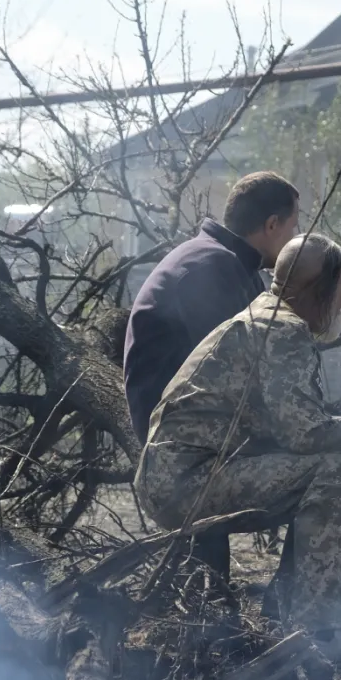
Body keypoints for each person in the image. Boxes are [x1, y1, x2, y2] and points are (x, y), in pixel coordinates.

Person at [134, 235, 341, 658]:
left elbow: (301, 423)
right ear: (319, 290)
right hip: (186, 482)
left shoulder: (267, 316)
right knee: (334, 472)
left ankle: (297, 608)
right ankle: (324, 632)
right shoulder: (284, 331)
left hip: (187, 472)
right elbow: (307, 435)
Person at [123, 171, 300, 577]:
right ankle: (304, 601)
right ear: (272, 225)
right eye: (293, 226)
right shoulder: (211, 269)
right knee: (338, 468)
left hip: (202, 438)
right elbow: (245, 380)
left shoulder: (227, 264)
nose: (295, 237)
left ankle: (301, 596)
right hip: (182, 455)